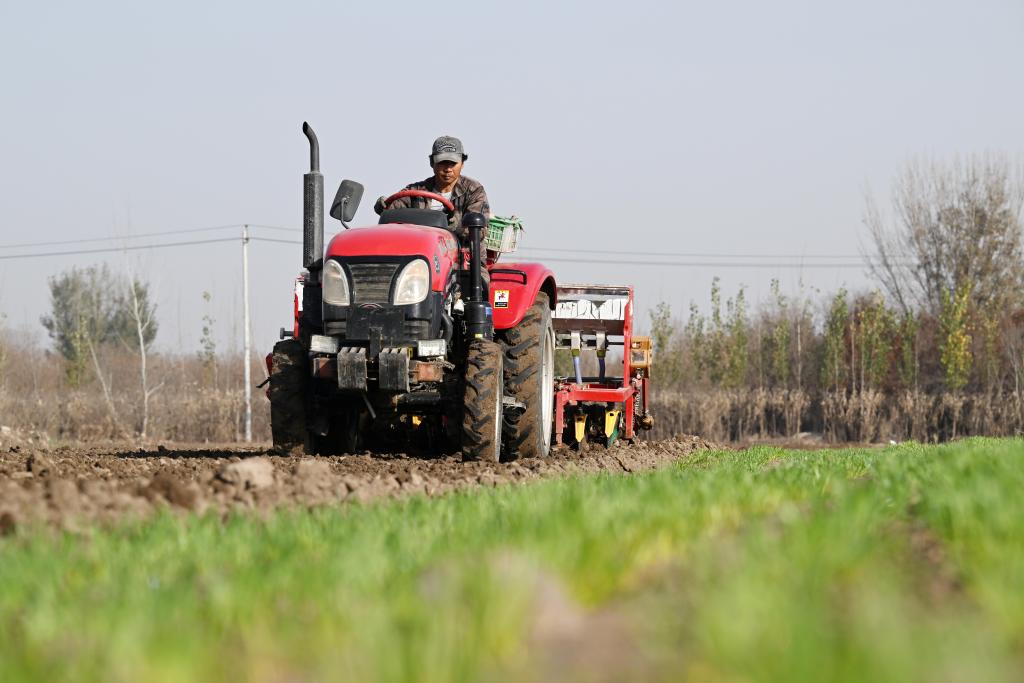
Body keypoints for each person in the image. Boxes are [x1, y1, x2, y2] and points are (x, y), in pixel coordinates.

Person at [374, 136, 491, 240]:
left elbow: (479, 231)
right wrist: (383, 206)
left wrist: (456, 228)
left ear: (462, 163)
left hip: (461, 258)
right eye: (442, 163)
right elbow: (392, 209)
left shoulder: (474, 191)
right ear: (432, 163)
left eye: (453, 163)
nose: (448, 169)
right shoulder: (416, 191)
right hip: (421, 255)